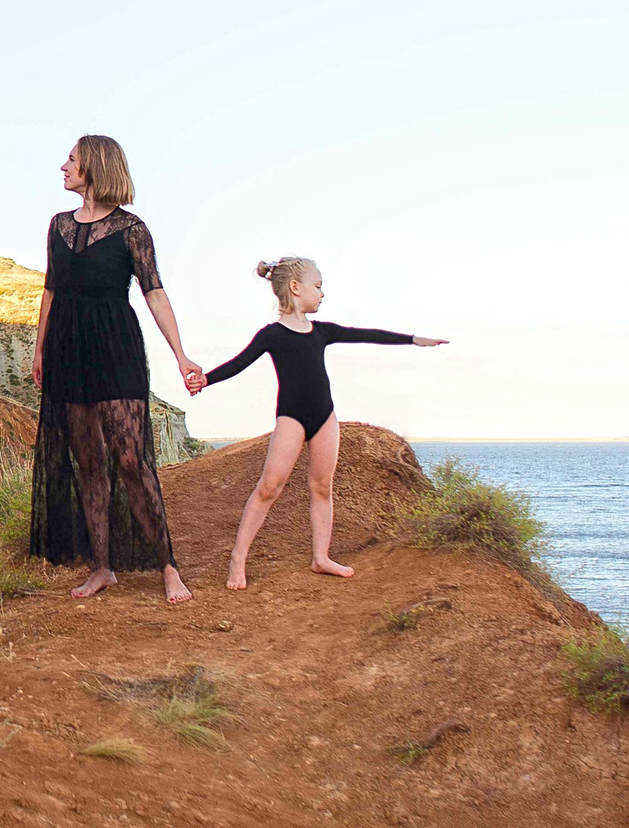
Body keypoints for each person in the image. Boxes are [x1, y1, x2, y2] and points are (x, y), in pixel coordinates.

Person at [197, 257, 445, 591]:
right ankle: (238, 558)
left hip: (324, 416)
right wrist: (205, 380)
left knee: (322, 486)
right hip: (291, 416)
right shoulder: (272, 335)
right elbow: (238, 363)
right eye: (318, 286)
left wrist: (413, 339)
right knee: (270, 486)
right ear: (295, 288)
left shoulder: (322, 331)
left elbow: (365, 335)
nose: (323, 293)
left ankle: (321, 557)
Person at [29, 134, 203, 602]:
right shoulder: (58, 225)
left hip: (115, 347)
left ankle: (167, 567)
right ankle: (102, 568)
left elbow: (154, 292)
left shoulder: (132, 230)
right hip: (67, 348)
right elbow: (50, 290)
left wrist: (181, 355)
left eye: (71, 159)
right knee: (88, 462)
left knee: (129, 459)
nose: (63, 166)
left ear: (95, 167)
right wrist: (40, 349)